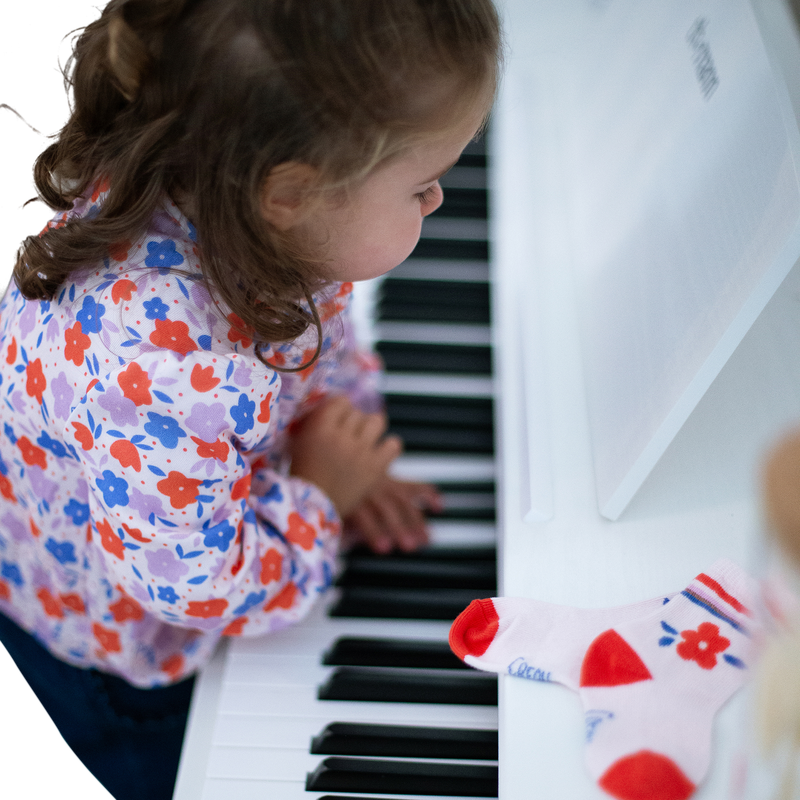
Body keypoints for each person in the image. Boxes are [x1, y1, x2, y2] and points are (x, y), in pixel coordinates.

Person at [0, 0, 504, 797]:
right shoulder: (160, 370)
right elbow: (196, 584)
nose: (438, 202)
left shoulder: (248, 206)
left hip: (172, 511)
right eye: (423, 184)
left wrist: (345, 442)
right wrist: (316, 500)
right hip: (129, 651)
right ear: (291, 193)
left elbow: (319, 349)